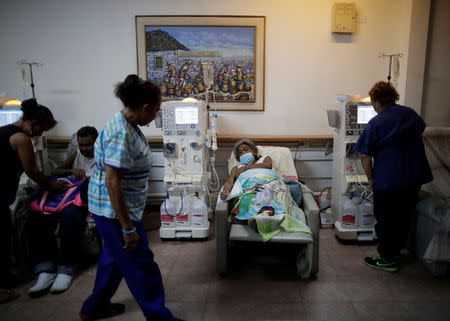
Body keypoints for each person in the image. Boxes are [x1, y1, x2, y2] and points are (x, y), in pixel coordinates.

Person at [79, 75, 184, 321]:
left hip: (113, 208)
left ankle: (93, 307)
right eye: (156, 111)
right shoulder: (120, 134)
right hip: (114, 212)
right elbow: (112, 181)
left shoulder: (127, 124)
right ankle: (159, 317)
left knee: (114, 259)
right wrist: (127, 228)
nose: (155, 117)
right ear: (145, 107)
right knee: (141, 264)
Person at [354, 81, 433, 272]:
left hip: (389, 180)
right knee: (404, 216)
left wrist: (370, 179)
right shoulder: (411, 114)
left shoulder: (377, 123)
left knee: (386, 219)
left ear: (376, 101)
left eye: (373, 102)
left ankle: (387, 259)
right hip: (413, 176)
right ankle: (396, 250)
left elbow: (365, 155)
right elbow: (421, 129)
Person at [0, 98, 64, 303]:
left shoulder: (3, 130)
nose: (40, 134)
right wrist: (51, 185)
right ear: (33, 123)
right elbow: (33, 171)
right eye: (41, 129)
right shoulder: (20, 138)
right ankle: (4, 288)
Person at [27, 126, 98, 297]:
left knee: (69, 216)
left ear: (97, 142)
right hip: (69, 196)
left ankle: (65, 269)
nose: (84, 149)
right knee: (40, 214)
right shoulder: (77, 154)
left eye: (88, 145)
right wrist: (71, 171)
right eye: (81, 145)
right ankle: (45, 269)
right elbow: (56, 171)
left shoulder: (103, 157)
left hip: (88, 200)